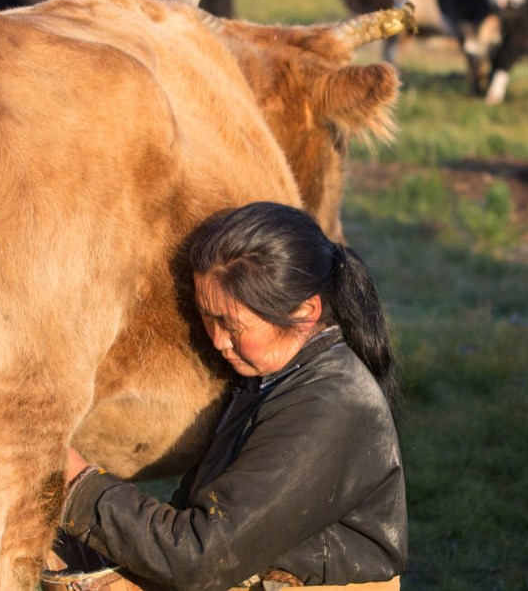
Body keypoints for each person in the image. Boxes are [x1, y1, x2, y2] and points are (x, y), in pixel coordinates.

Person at [47, 202, 408, 591]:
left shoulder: (330, 406)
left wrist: (78, 485)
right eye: (207, 315)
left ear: (305, 313)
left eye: (231, 324)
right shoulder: (270, 378)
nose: (218, 340)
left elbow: (199, 556)